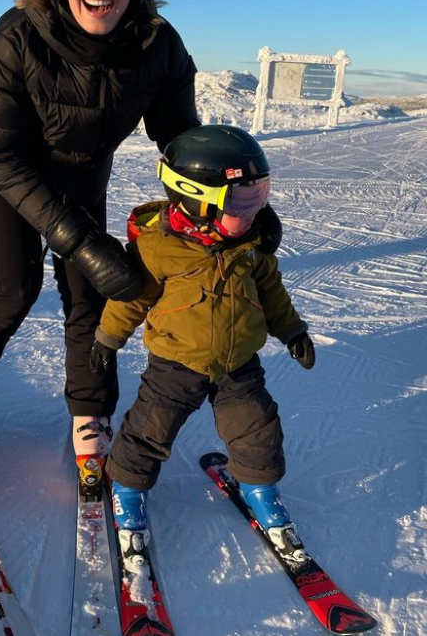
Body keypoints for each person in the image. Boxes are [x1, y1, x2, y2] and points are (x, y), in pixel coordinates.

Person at [0, 0, 282, 490]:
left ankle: (91, 413)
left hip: (85, 168)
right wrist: (82, 241)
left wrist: (232, 204)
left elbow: (181, 148)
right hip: (10, 175)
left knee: (91, 297)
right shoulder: (10, 43)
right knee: (13, 288)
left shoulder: (156, 46)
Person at [89, 125, 315, 568]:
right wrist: (107, 339)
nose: (254, 211)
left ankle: (261, 492)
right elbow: (130, 299)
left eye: (259, 196)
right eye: (241, 201)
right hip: (176, 363)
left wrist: (293, 331)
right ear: (196, 200)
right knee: (150, 429)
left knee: (257, 429)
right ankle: (128, 489)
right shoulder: (157, 249)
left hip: (239, 364)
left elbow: (271, 292)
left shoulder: (250, 244)